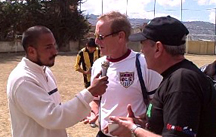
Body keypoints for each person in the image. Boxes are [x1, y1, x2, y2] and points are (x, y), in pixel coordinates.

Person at [109, 16, 216, 137]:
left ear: (158, 48)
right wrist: (143, 125)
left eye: (143, 45)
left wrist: (134, 130)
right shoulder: (176, 76)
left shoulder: (181, 81)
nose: (142, 51)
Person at [6, 26, 108, 137]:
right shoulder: (23, 80)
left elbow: (55, 109)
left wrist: (78, 112)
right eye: (48, 47)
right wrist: (90, 92)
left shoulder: (46, 71)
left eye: (54, 45)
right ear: (31, 51)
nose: (55, 51)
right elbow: (53, 117)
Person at [83, 11, 162, 137]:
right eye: (96, 36)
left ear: (120, 36)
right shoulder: (98, 65)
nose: (97, 41)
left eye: (101, 37)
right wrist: (94, 111)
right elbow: (95, 100)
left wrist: (139, 124)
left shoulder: (143, 64)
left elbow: (158, 108)